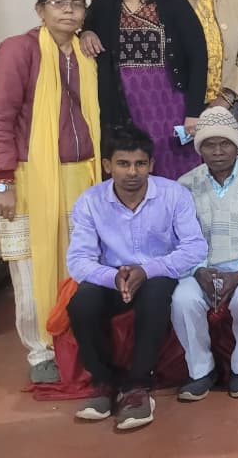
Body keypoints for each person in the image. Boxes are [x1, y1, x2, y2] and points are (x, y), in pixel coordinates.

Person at [0, 0, 102, 384]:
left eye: (77, 3)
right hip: (29, 176)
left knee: (79, 262)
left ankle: (77, 342)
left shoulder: (87, 51)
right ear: (40, 9)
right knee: (31, 267)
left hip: (82, 174)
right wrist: (3, 182)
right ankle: (40, 351)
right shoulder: (19, 49)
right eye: (58, 2)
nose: (68, 10)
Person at [67, 125, 208, 430]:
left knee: (156, 295)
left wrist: (148, 270)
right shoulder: (90, 201)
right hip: (111, 276)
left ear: (151, 165)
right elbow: (78, 259)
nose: (132, 172)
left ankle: (137, 386)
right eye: (123, 163)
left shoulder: (174, 194)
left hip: (158, 273)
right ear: (108, 165)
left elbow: (195, 247)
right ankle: (104, 383)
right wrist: (113, 277)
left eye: (140, 163)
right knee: (82, 303)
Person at [80, 0, 208, 180]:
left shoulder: (173, 2)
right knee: (131, 165)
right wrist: (86, 32)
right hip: (120, 99)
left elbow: (198, 57)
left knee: (173, 165)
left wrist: (194, 111)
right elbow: (85, 27)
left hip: (168, 100)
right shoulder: (104, 2)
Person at [171, 107, 238, 400]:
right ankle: (201, 371)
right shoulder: (184, 185)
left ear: (237, 144)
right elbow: (184, 238)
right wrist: (199, 270)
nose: (217, 151)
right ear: (199, 148)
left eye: (225, 143)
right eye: (209, 144)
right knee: (183, 300)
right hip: (201, 266)